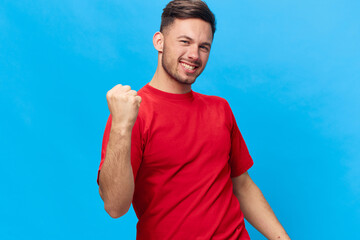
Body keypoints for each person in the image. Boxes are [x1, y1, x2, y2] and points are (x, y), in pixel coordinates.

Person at [97, 0, 291, 239]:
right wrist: (121, 126)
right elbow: (115, 207)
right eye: (185, 42)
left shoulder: (220, 109)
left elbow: (241, 185)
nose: (194, 55)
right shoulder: (132, 114)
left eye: (204, 46)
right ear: (159, 41)